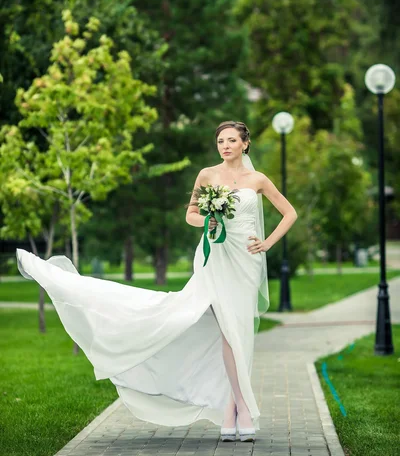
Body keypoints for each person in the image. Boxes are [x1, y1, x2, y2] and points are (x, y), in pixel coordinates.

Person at [15, 120, 298, 443]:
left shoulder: (258, 179)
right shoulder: (207, 175)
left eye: (232, 140)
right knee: (229, 333)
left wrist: (267, 243)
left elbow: (289, 213)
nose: (225, 146)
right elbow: (190, 213)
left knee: (240, 333)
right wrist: (208, 220)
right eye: (220, 140)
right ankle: (243, 410)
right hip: (215, 260)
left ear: (245, 144)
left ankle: (232, 410)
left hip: (246, 263)